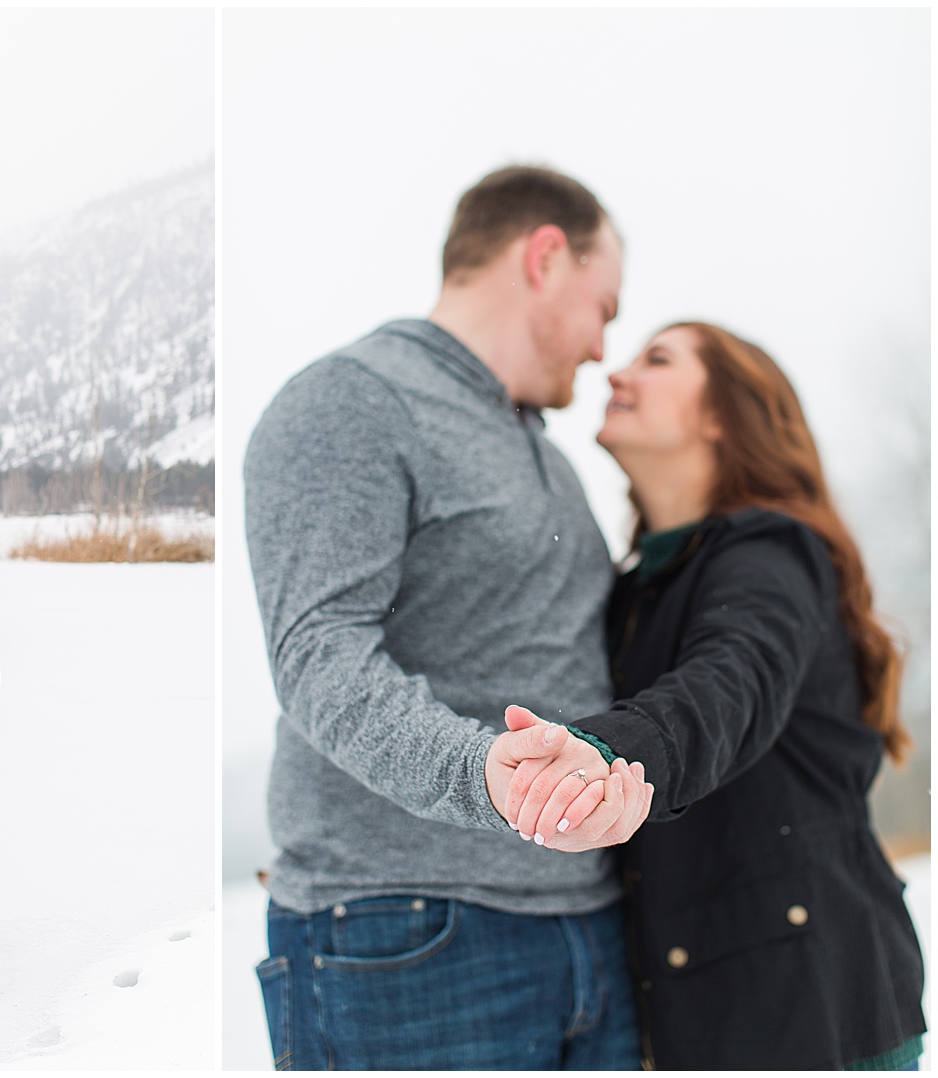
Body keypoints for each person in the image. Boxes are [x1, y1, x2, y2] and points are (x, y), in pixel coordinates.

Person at [243, 165, 653, 1070]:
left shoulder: (545, 453)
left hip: (588, 928)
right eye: (605, 307)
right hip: (409, 934)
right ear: (545, 257)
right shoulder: (353, 399)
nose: (601, 349)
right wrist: (484, 776)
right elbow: (318, 653)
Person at [503, 323, 927, 1069]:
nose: (617, 375)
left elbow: (731, 682)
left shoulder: (770, 551)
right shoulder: (636, 589)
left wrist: (604, 754)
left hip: (820, 1011)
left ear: (722, 416)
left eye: (656, 360)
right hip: (708, 1021)